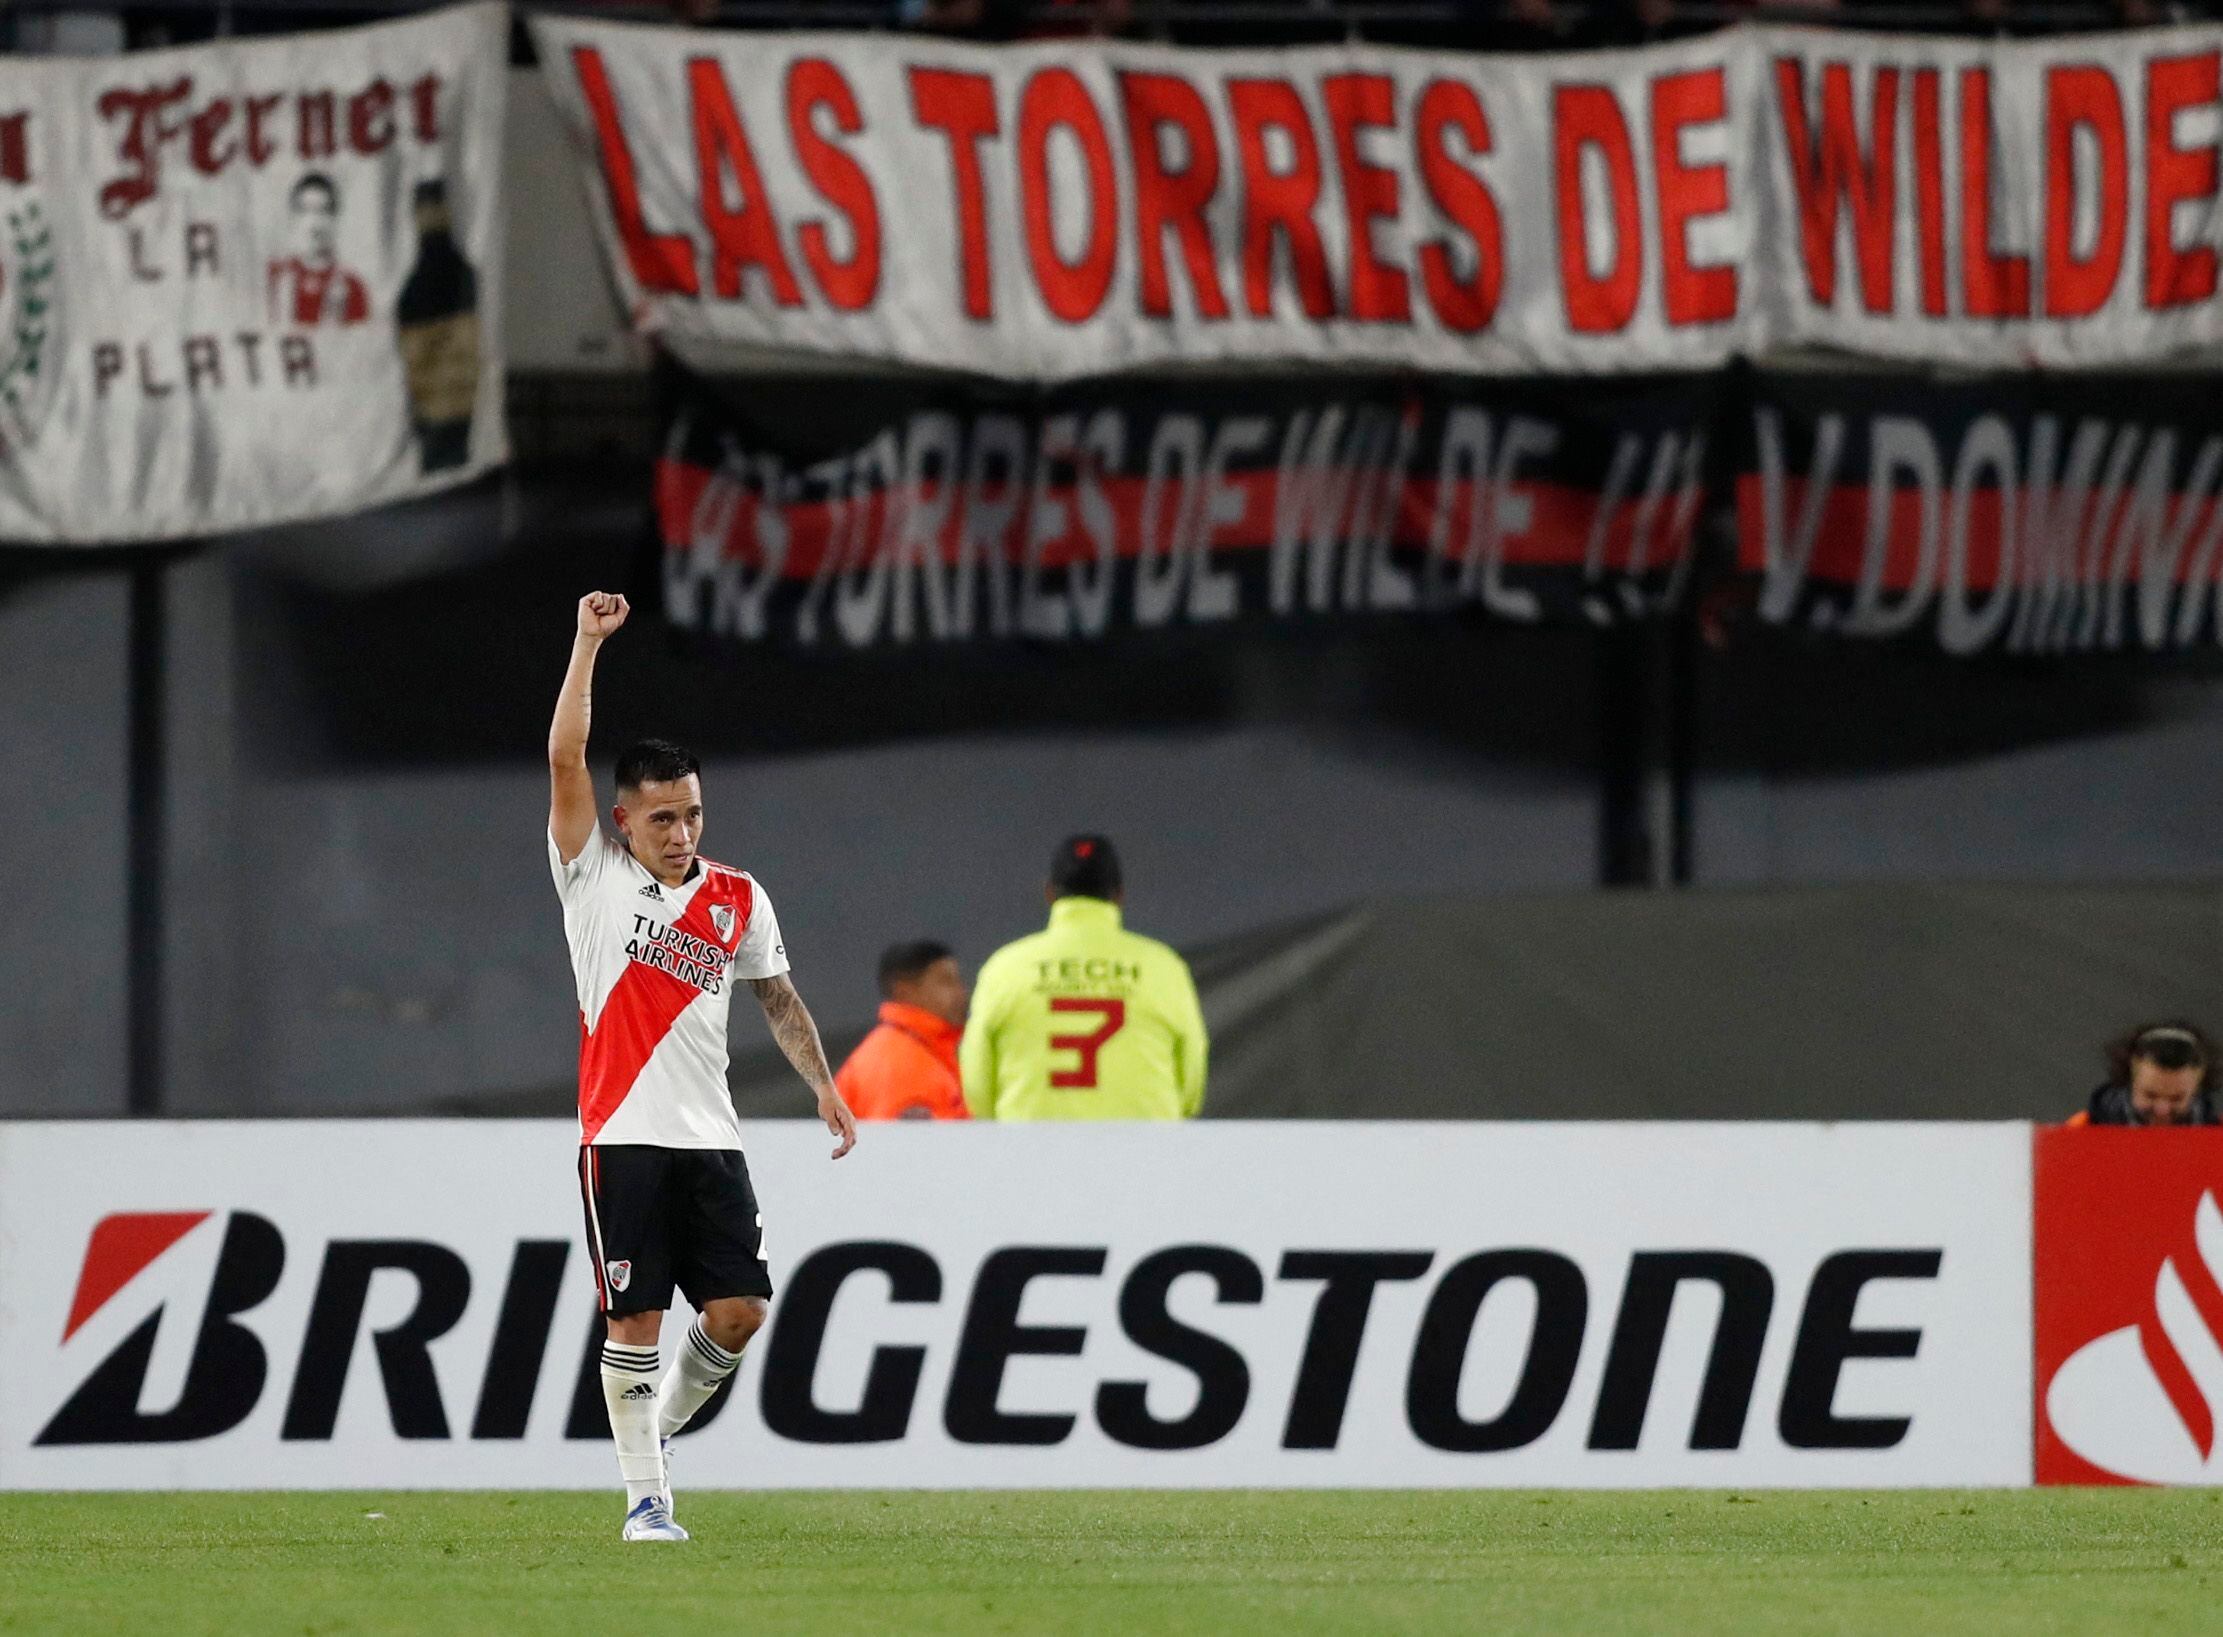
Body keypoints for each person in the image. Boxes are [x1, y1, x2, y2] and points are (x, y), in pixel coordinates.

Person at [547, 590, 857, 1543]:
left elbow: (777, 996)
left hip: (710, 1138)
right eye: (662, 818)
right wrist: (587, 643)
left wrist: (822, 1082)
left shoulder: (737, 896)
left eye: (691, 814)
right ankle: (647, 1500)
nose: (681, 833)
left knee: (739, 1311)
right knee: (634, 1320)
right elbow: (564, 758)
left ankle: (656, 1435)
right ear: (623, 820)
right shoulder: (591, 873)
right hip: (622, 1134)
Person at [961, 835, 1207, 1121]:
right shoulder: (1164, 967)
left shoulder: (1005, 968)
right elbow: (1192, 1077)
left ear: (1049, 892)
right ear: (1119, 896)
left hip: (1033, 1144)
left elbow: (976, 1084)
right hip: (1142, 1144)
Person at [835, 941, 972, 1121]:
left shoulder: (924, 1050)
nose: (961, 992)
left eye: (958, 981)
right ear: (904, 991)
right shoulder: (901, 1061)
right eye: (945, 981)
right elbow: (901, 1139)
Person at [2067, 1021, 2222, 1127]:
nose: (2162, 1110)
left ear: (2197, 1089)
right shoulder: (2079, 1132)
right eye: (2150, 1095)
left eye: (2177, 1098)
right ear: (2129, 1081)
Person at [268, 172, 370, 327]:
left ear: (334, 218)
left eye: (323, 211)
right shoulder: (275, 278)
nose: (314, 222)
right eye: (305, 210)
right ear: (293, 218)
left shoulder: (351, 287)